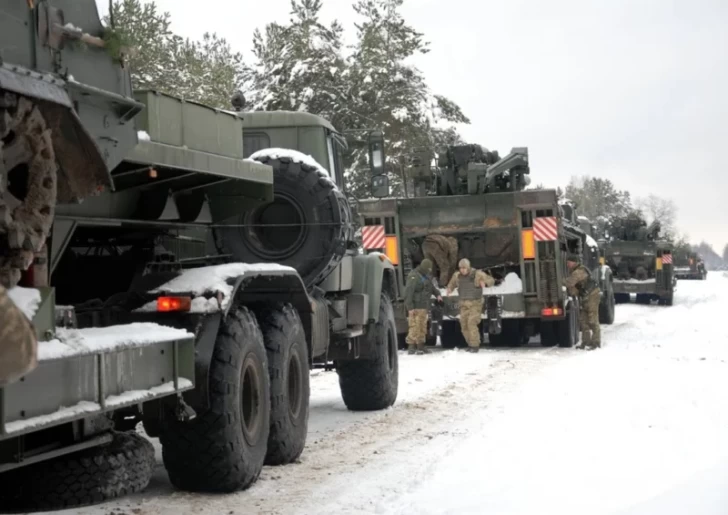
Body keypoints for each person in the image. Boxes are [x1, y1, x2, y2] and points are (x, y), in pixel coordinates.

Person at [446, 258, 494, 353]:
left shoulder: (477, 274)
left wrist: (485, 283)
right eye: (461, 268)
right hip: (463, 304)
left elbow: (491, 280)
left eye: (464, 268)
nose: (462, 270)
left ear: (468, 268)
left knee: (471, 323)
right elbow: (451, 284)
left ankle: (475, 345)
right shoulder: (457, 276)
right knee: (464, 325)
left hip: (475, 304)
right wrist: (449, 289)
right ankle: (470, 344)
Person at [404, 259, 442, 355]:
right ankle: (411, 347)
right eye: (428, 269)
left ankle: (421, 346)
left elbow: (432, 288)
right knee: (414, 326)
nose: (429, 271)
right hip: (415, 306)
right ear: (424, 267)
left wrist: (438, 294)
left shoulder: (426, 276)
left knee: (422, 327)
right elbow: (409, 293)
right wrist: (410, 307)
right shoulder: (414, 276)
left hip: (424, 306)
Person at [564, 258, 601, 349]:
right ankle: (586, 341)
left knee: (592, 319)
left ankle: (596, 342)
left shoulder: (579, 272)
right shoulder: (576, 271)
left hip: (592, 296)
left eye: (569, 262)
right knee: (583, 321)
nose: (567, 265)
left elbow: (569, 283)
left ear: (574, 262)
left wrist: (559, 280)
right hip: (585, 296)